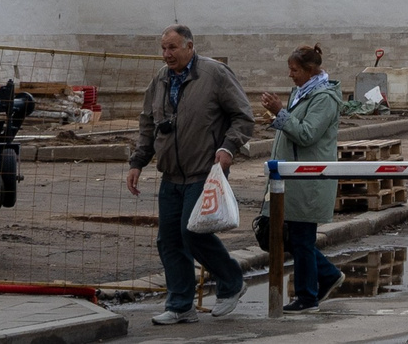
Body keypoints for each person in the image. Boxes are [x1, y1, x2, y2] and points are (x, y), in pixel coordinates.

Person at [128, 25, 255, 324]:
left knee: (193, 233)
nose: (166, 54)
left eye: (172, 47)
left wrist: (228, 147)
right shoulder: (160, 80)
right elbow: (148, 123)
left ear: (189, 46)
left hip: (204, 172)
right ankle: (180, 305)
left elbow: (243, 116)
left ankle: (231, 282)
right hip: (171, 175)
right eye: (163, 48)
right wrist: (137, 162)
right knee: (169, 240)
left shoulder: (214, 74)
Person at [255, 44, 346, 313]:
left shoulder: (324, 98)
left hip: (308, 180)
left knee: (302, 239)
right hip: (291, 178)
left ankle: (308, 296)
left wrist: (280, 113)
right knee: (289, 236)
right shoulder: (301, 92)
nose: (290, 75)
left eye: (294, 70)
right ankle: (327, 275)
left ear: (310, 70)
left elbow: (307, 134)